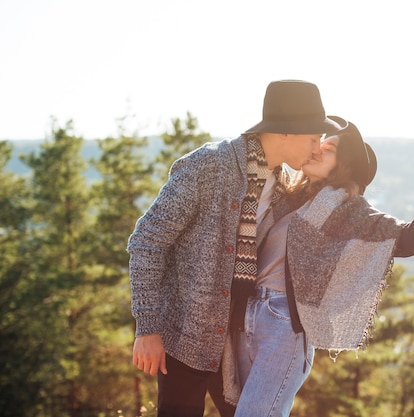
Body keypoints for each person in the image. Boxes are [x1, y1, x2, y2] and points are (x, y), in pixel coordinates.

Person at [223, 117, 414, 416]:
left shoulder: (347, 209)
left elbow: (404, 236)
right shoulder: (286, 199)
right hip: (246, 318)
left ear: (344, 165)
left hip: (282, 327)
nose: (319, 148)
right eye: (321, 142)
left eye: (331, 148)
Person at [127, 79, 344, 417]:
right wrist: (147, 327)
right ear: (285, 132)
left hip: (234, 342)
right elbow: (146, 241)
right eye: (313, 138)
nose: (317, 149)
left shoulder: (283, 185)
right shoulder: (208, 165)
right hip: (183, 336)